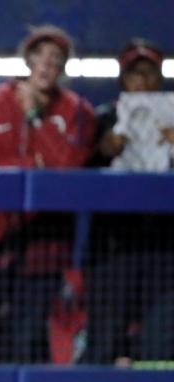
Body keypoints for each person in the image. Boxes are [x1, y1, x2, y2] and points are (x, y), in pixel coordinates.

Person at [0, 24, 96, 364]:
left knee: (28, 339)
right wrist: (28, 162)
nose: (47, 64)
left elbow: (68, 166)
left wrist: (34, 118)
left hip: (44, 249)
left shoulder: (77, 111)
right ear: (28, 60)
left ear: (63, 67)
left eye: (56, 58)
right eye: (40, 56)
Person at [83, 39, 174, 364]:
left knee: (161, 341)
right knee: (105, 340)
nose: (143, 82)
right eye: (135, 74)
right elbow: (76, 174)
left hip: (165, 247)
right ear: (123, 79)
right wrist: (102, 152)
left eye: (149, 73)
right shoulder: (103, 118)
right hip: (113, 246)